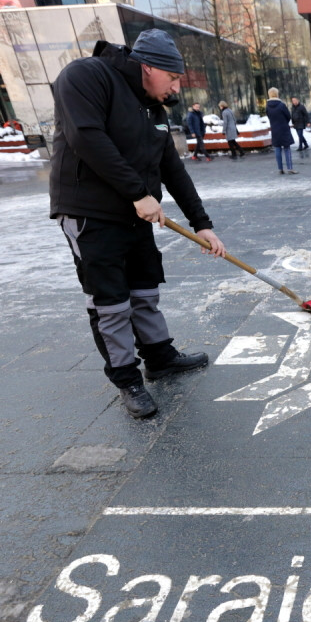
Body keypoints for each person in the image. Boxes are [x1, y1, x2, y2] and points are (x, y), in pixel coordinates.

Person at [49, 28, 225, 418]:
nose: (176, 87)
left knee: (145, 288)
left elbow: (171, 168)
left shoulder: (153, 108)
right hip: (90, 212)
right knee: (110, 301)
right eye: (174, 78)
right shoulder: (86, 76)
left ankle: (159, 356)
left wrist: (202, 224)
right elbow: (86, 136)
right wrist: (137, 193)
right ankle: (127, 378)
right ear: (148, 67)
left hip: (137, 213)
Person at [265, 87, 296, 174]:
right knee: (287, 148)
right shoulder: (281, 105)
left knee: (277, 149)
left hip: (274, 129)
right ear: (277, 94)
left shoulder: (267, 106)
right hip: (284, 129)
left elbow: (269, 116)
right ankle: (290, 168)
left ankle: (280, 169)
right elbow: (288, 116)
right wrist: (284, 122)